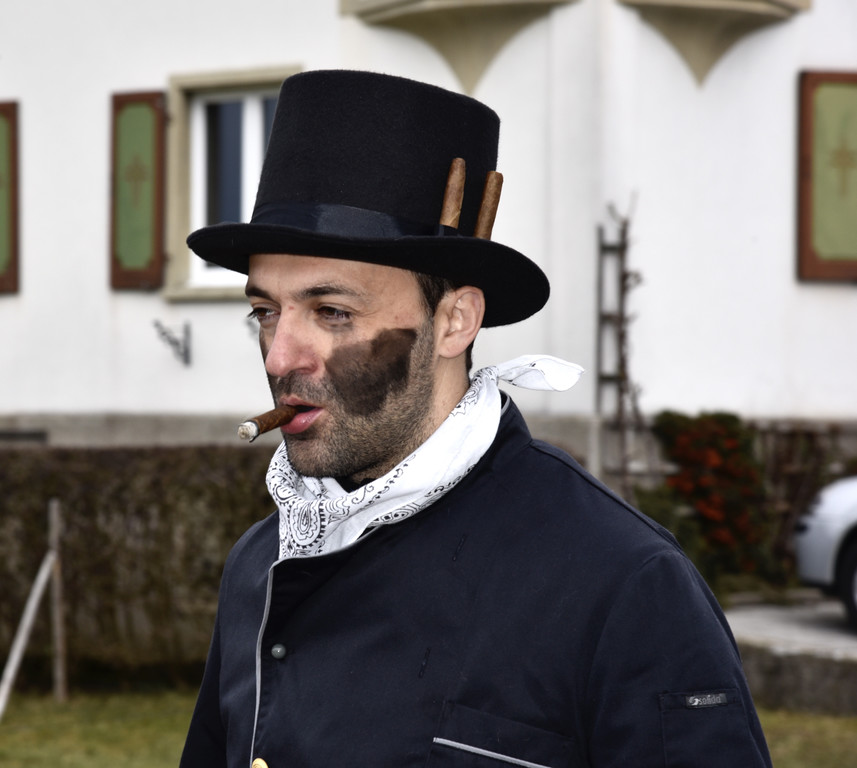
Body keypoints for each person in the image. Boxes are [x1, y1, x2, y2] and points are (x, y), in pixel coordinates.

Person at [180, 70, 772, 768]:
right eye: (264, 311)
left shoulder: (622, 583)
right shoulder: (262, 562)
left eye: (332, 312)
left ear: (455, 320)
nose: (280, 356)